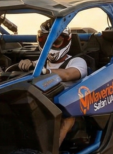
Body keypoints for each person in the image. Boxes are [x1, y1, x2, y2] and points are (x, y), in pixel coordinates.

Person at [17, 19, 89, 147]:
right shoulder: (40, 64)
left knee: (66, 117)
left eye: (56, 42)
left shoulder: (77, 61)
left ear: (66, 41)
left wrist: (45, 70)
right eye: (46, 42)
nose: (50, 46)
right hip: (40, 105)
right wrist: (26, 65)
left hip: (69, 109)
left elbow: (67, 74)